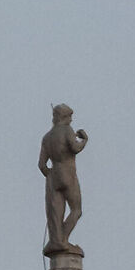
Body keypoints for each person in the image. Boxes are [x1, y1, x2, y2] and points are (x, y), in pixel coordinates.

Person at [40, 104, 88, 251]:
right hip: (67, 174)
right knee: (76, 209)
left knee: (56, 212)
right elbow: (75, 148)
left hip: (53, 176)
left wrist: (50, 175)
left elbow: (41, 164)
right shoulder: (67, 130)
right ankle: (63, 239)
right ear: (64, 117)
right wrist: (84, 139)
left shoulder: (47, 137)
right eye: (70, 117)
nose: (71, 120)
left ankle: (55, 241)